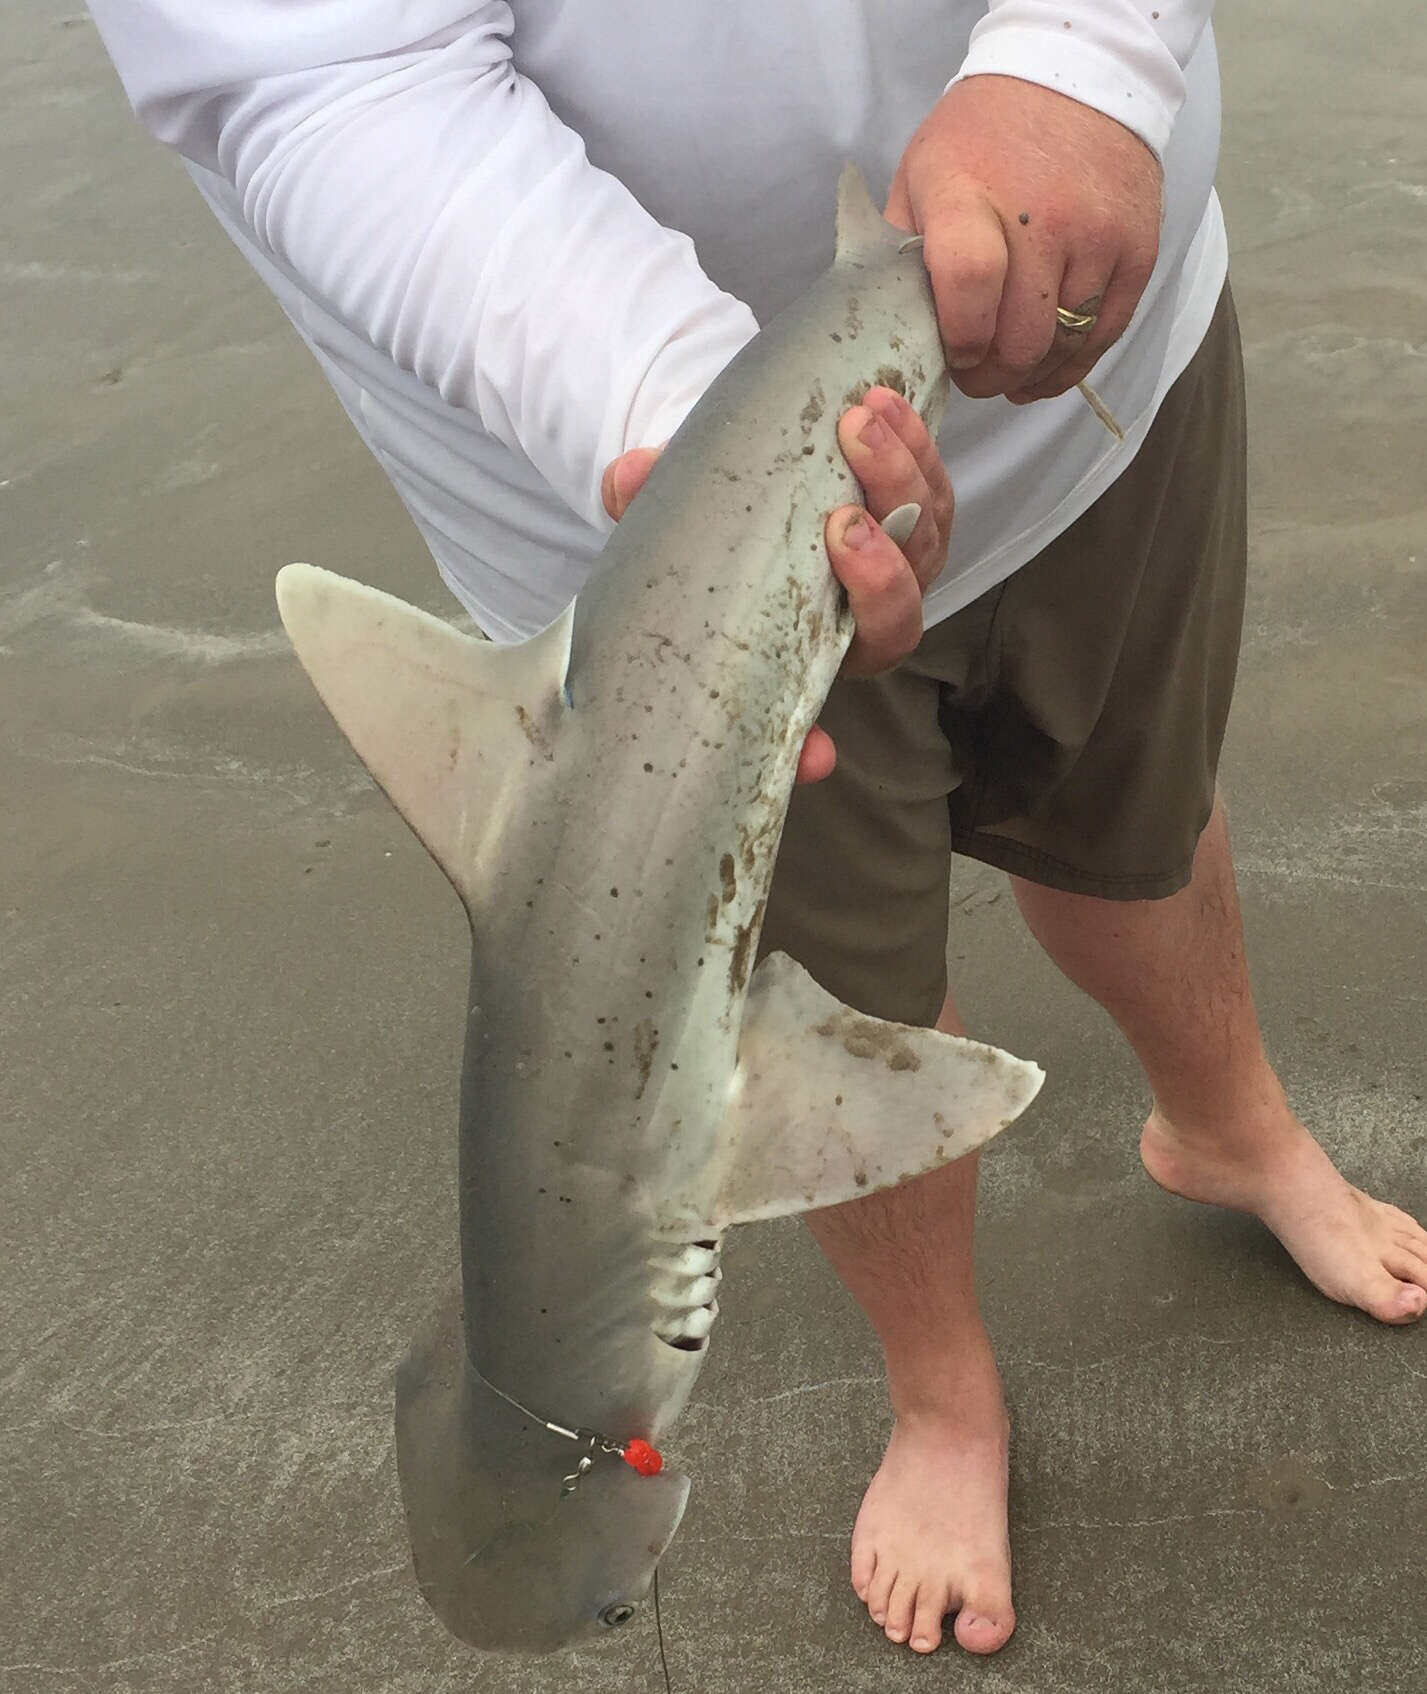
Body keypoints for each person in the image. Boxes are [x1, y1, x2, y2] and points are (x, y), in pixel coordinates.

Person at [88, 0, 1427, 1660]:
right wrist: (695, 417)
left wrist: (1095, 51)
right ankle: (945, 1397)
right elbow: (321, 69)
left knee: (1135, 811)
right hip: (607, 478)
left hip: (1090, 310)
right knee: (847, 987)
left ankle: (1229, 1123)